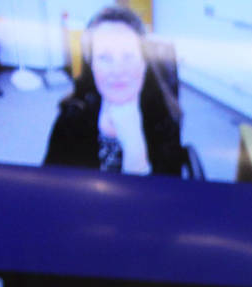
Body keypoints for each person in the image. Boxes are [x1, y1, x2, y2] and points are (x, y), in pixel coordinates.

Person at [42, 6, 191, 177]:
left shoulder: (163, 117)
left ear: (144, 63)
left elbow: (166, 198)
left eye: (128, 56)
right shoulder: (72, 116)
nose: (118, 70)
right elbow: (50, 187)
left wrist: (134, 146)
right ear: (91, 66)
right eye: (105, 57)